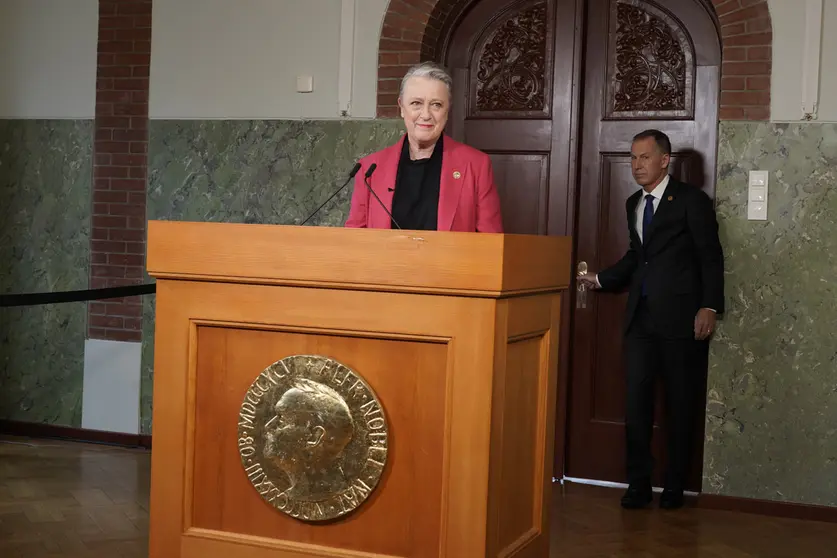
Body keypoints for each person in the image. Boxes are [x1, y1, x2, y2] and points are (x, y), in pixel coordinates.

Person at [578, 129, 724, 510]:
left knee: (679, 404)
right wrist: (602, 278)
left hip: (681, 320)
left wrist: (709, 305)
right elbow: (637, 257)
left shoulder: (692, 201)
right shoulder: (633, 203)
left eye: (644, 157)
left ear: (664, 160)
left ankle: (674, 485)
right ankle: (638, 484)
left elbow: (710, 255)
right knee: (636, 403)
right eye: (633, 157)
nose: (637, 165)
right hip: (640, 321)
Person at [344, 61, 503, 232]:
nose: (426, 115)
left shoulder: (476, 165)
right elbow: (355, 238)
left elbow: (490, 242)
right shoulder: (370, 169)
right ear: (402, 108)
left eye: (436, 105)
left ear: (447, 111)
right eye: (416, 103)